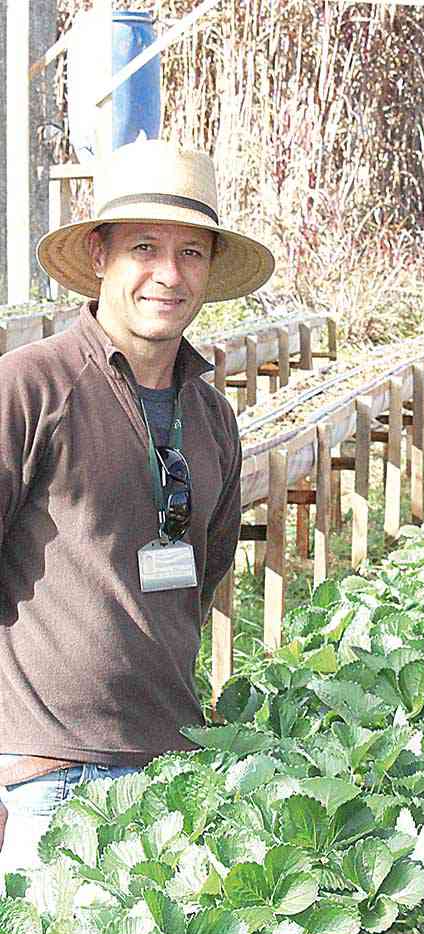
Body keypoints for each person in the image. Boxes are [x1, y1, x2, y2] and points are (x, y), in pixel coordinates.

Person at [0, 139, 274, 872]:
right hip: (54, 776)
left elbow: (203, 572)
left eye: (190, 252)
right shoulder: (29, 387)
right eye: (144, 247)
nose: (168, 273)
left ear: (210, 270)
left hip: (175, 776)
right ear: (99, 255)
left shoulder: (211, 414)